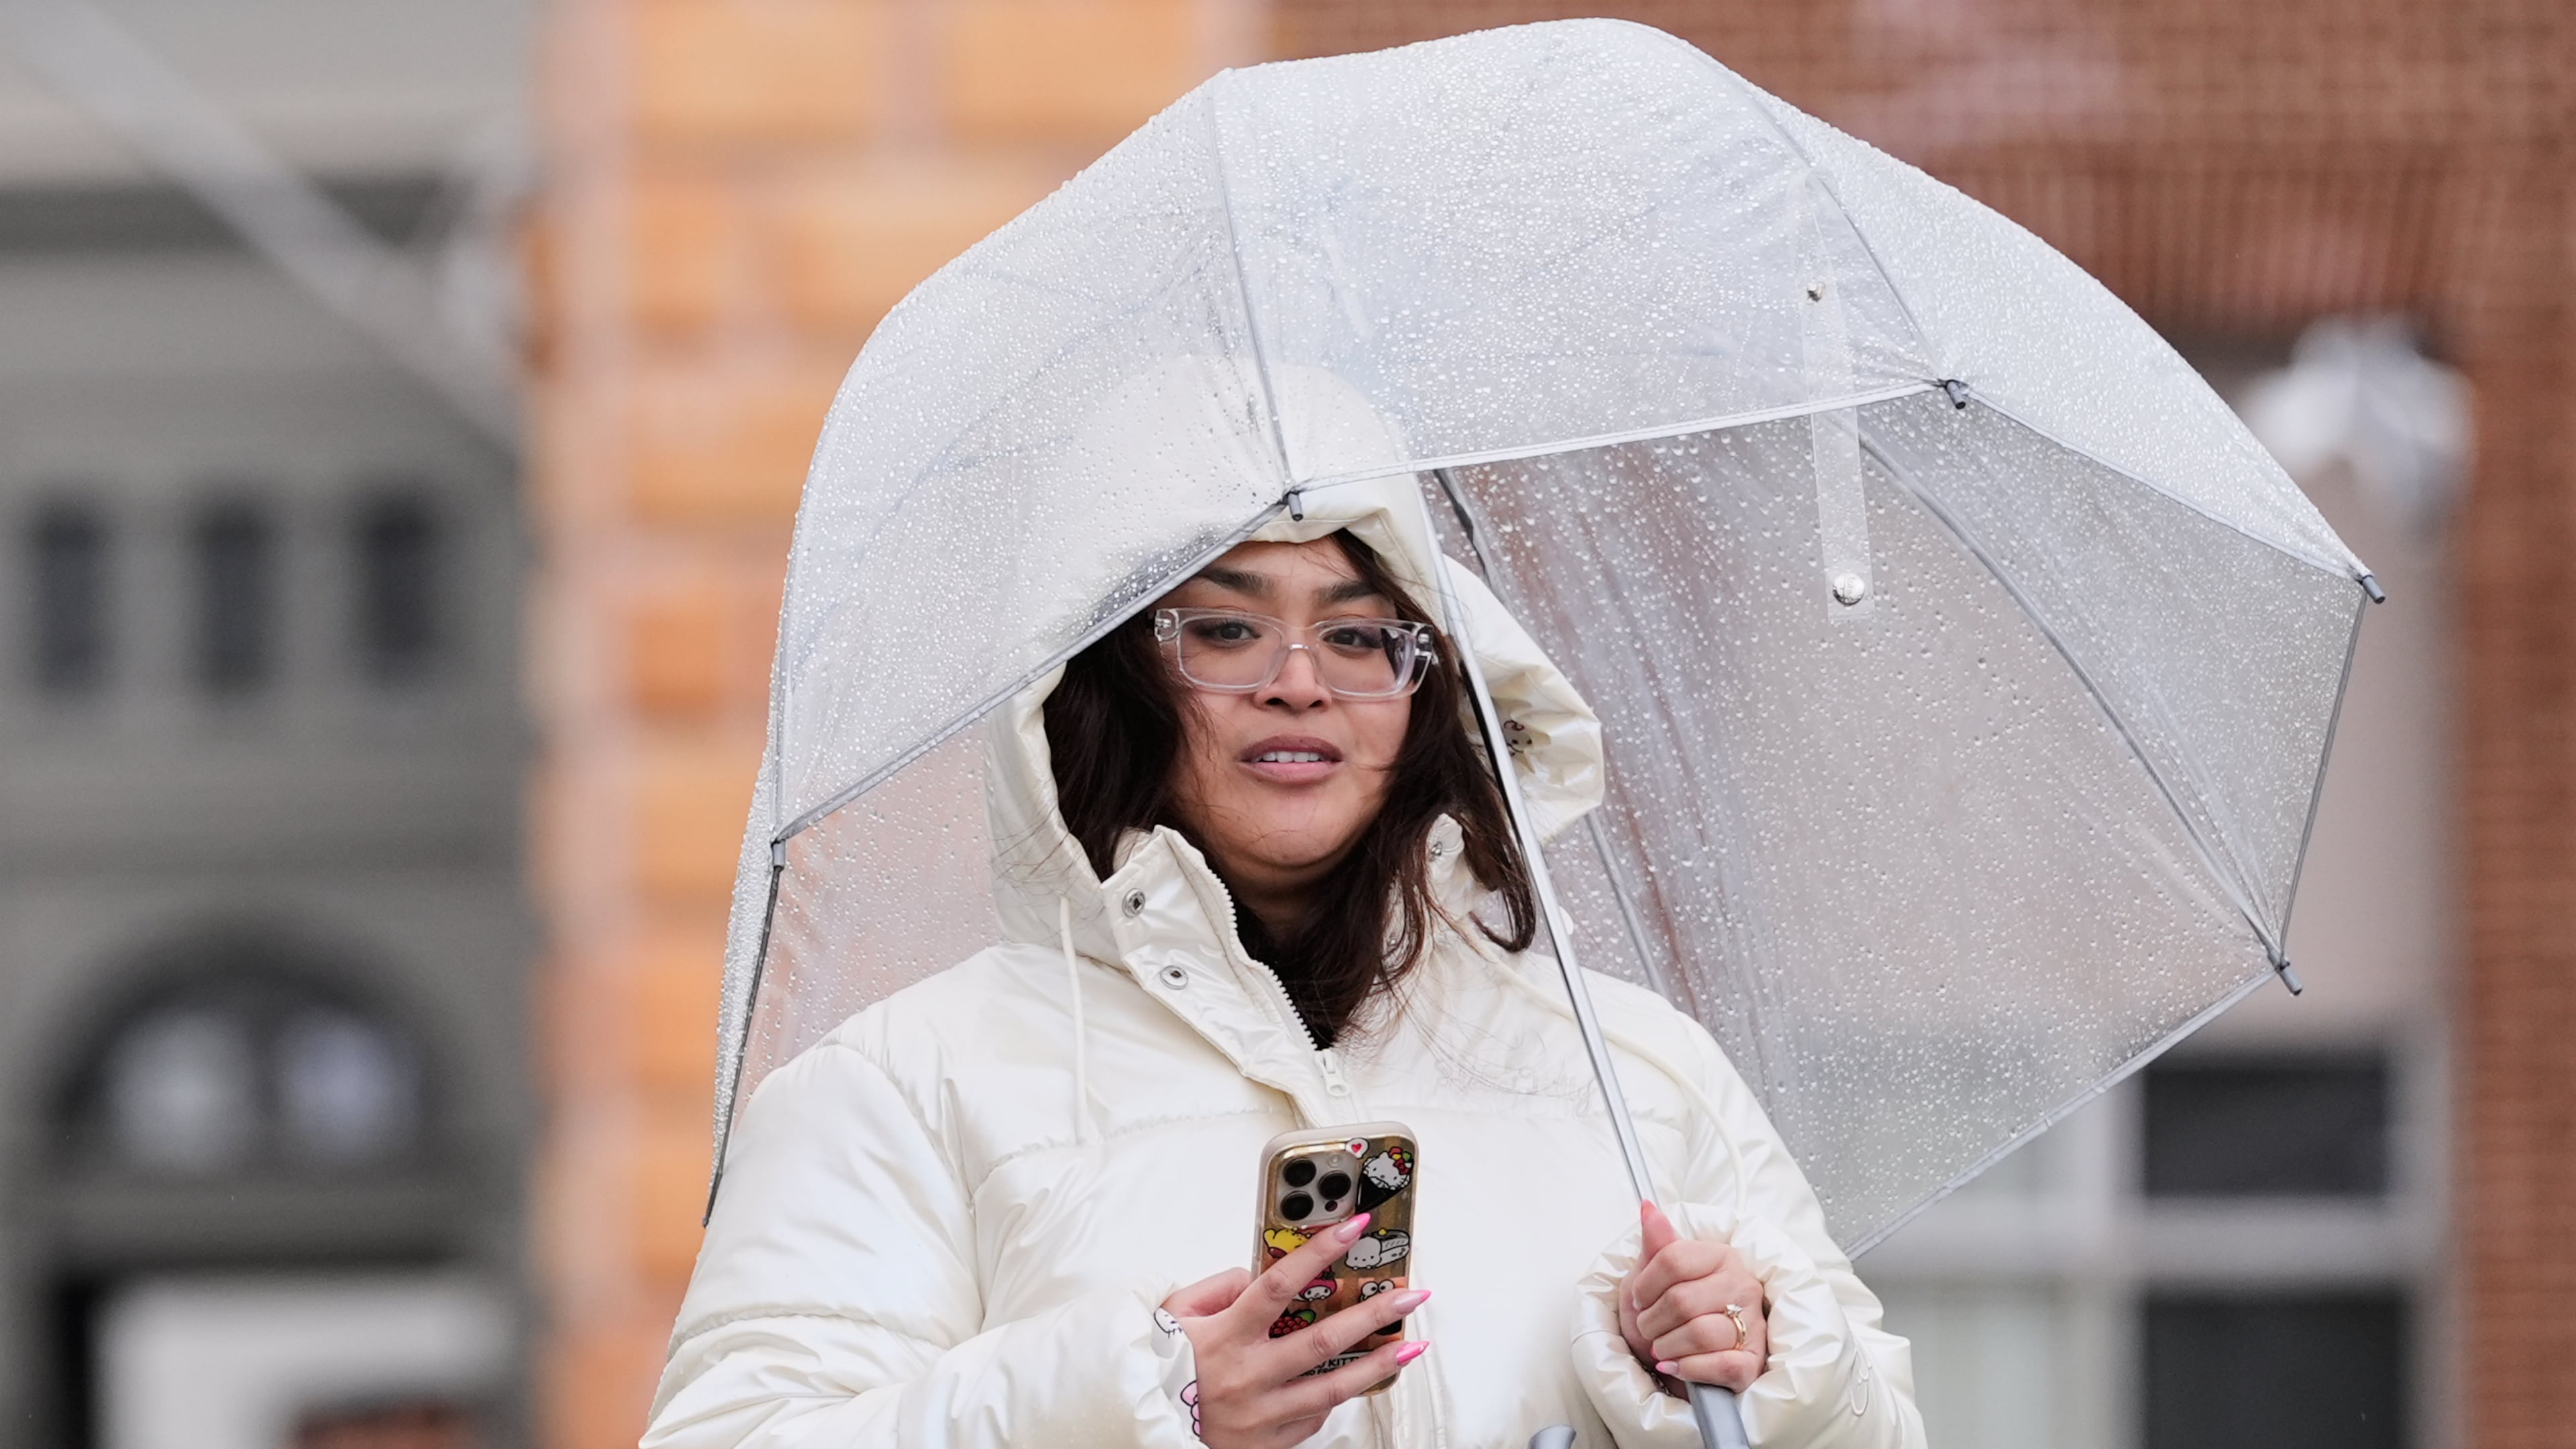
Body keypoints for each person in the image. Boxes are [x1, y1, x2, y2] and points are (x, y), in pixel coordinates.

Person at [642, 480, 1926, 1448]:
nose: (1301, 683)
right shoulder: (905, 1084)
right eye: (1226, 630)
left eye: (1364, 637)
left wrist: (1757, 1366)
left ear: (1431, 693)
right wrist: (1151, 1402)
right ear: (1107, 681)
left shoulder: (1632, 1068)